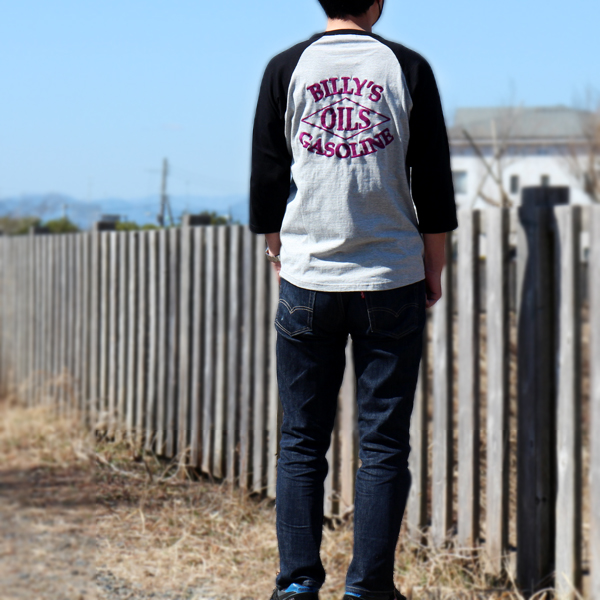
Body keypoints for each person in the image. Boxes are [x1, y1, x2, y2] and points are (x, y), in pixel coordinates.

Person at [249, 1, 457, 598]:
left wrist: (280, 252)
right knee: (383, 443)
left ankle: (297, 585)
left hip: (308, 278)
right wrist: (433, 266)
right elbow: (432, 179)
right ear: (378, 2)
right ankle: (369, 588)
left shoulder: (285, 68)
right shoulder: (407, 68)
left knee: (300, 440)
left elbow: (268, 176)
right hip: (390, 277)